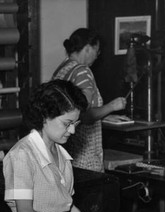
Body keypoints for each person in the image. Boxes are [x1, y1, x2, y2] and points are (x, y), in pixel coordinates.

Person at [3, 79, 111, 212]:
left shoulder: (62, 154)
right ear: (45, 117)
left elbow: (66, 207)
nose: (73, 131)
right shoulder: (22, 155)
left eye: (75, 124)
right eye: (67, 123)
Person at [52, 28, 127, 172]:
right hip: (84, 156)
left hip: (65, 152)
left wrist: (105, 115)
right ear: (87, 48)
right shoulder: (82, 71)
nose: (97, 56)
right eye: (96, 51)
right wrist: (112, 106)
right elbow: (84, 115)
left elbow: (69, 109)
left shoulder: (62, 69)